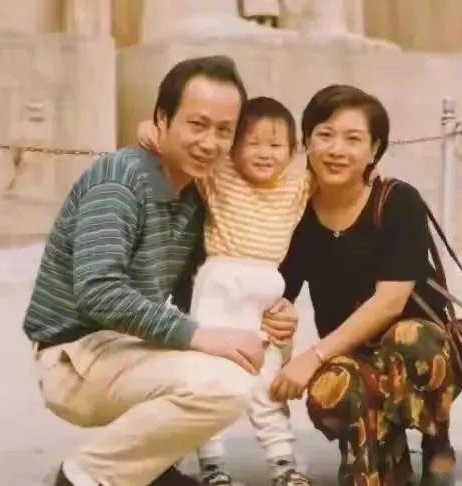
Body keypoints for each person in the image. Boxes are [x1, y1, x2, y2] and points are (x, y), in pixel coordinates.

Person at [22, 55, 298, 486]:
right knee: (224, 383)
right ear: (162, 120)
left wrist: (271, 311)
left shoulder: (193, 194)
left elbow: (197, 287)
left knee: (232, 363)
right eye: (197, 124)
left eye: (224, 130)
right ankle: (82, 477)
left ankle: (150, 472)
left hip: (125, 347)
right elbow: (99, 292)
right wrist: (202, 336)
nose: (209, 142)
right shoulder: (118, 180)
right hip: (74, 356)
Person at [269, 85, 462, 486]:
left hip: (421, 353)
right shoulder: (296, 211)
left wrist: (312, 356)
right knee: (330, 390)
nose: (336, 149)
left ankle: (435, 436)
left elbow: (390, 302)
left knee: (410, 339)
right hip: (353, 354)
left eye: (353, 139)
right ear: (306, 141)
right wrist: (279, 312)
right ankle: (384, 457)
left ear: (374, 150)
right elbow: (280, 288)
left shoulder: (397, 202)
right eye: (325, 135)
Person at [137, 96, 313, 486]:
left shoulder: (298, 185)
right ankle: (212, 465)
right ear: (233, 147)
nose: (264, 153)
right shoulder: (219, 174)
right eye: (253, 143)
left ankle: (284, 464)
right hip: (220, 281)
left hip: (267, 287)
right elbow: (158, 140)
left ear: (293, 151)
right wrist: (152, 131)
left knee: (266, 378)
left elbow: (342, 175)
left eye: (275, 144)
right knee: (209, 375)